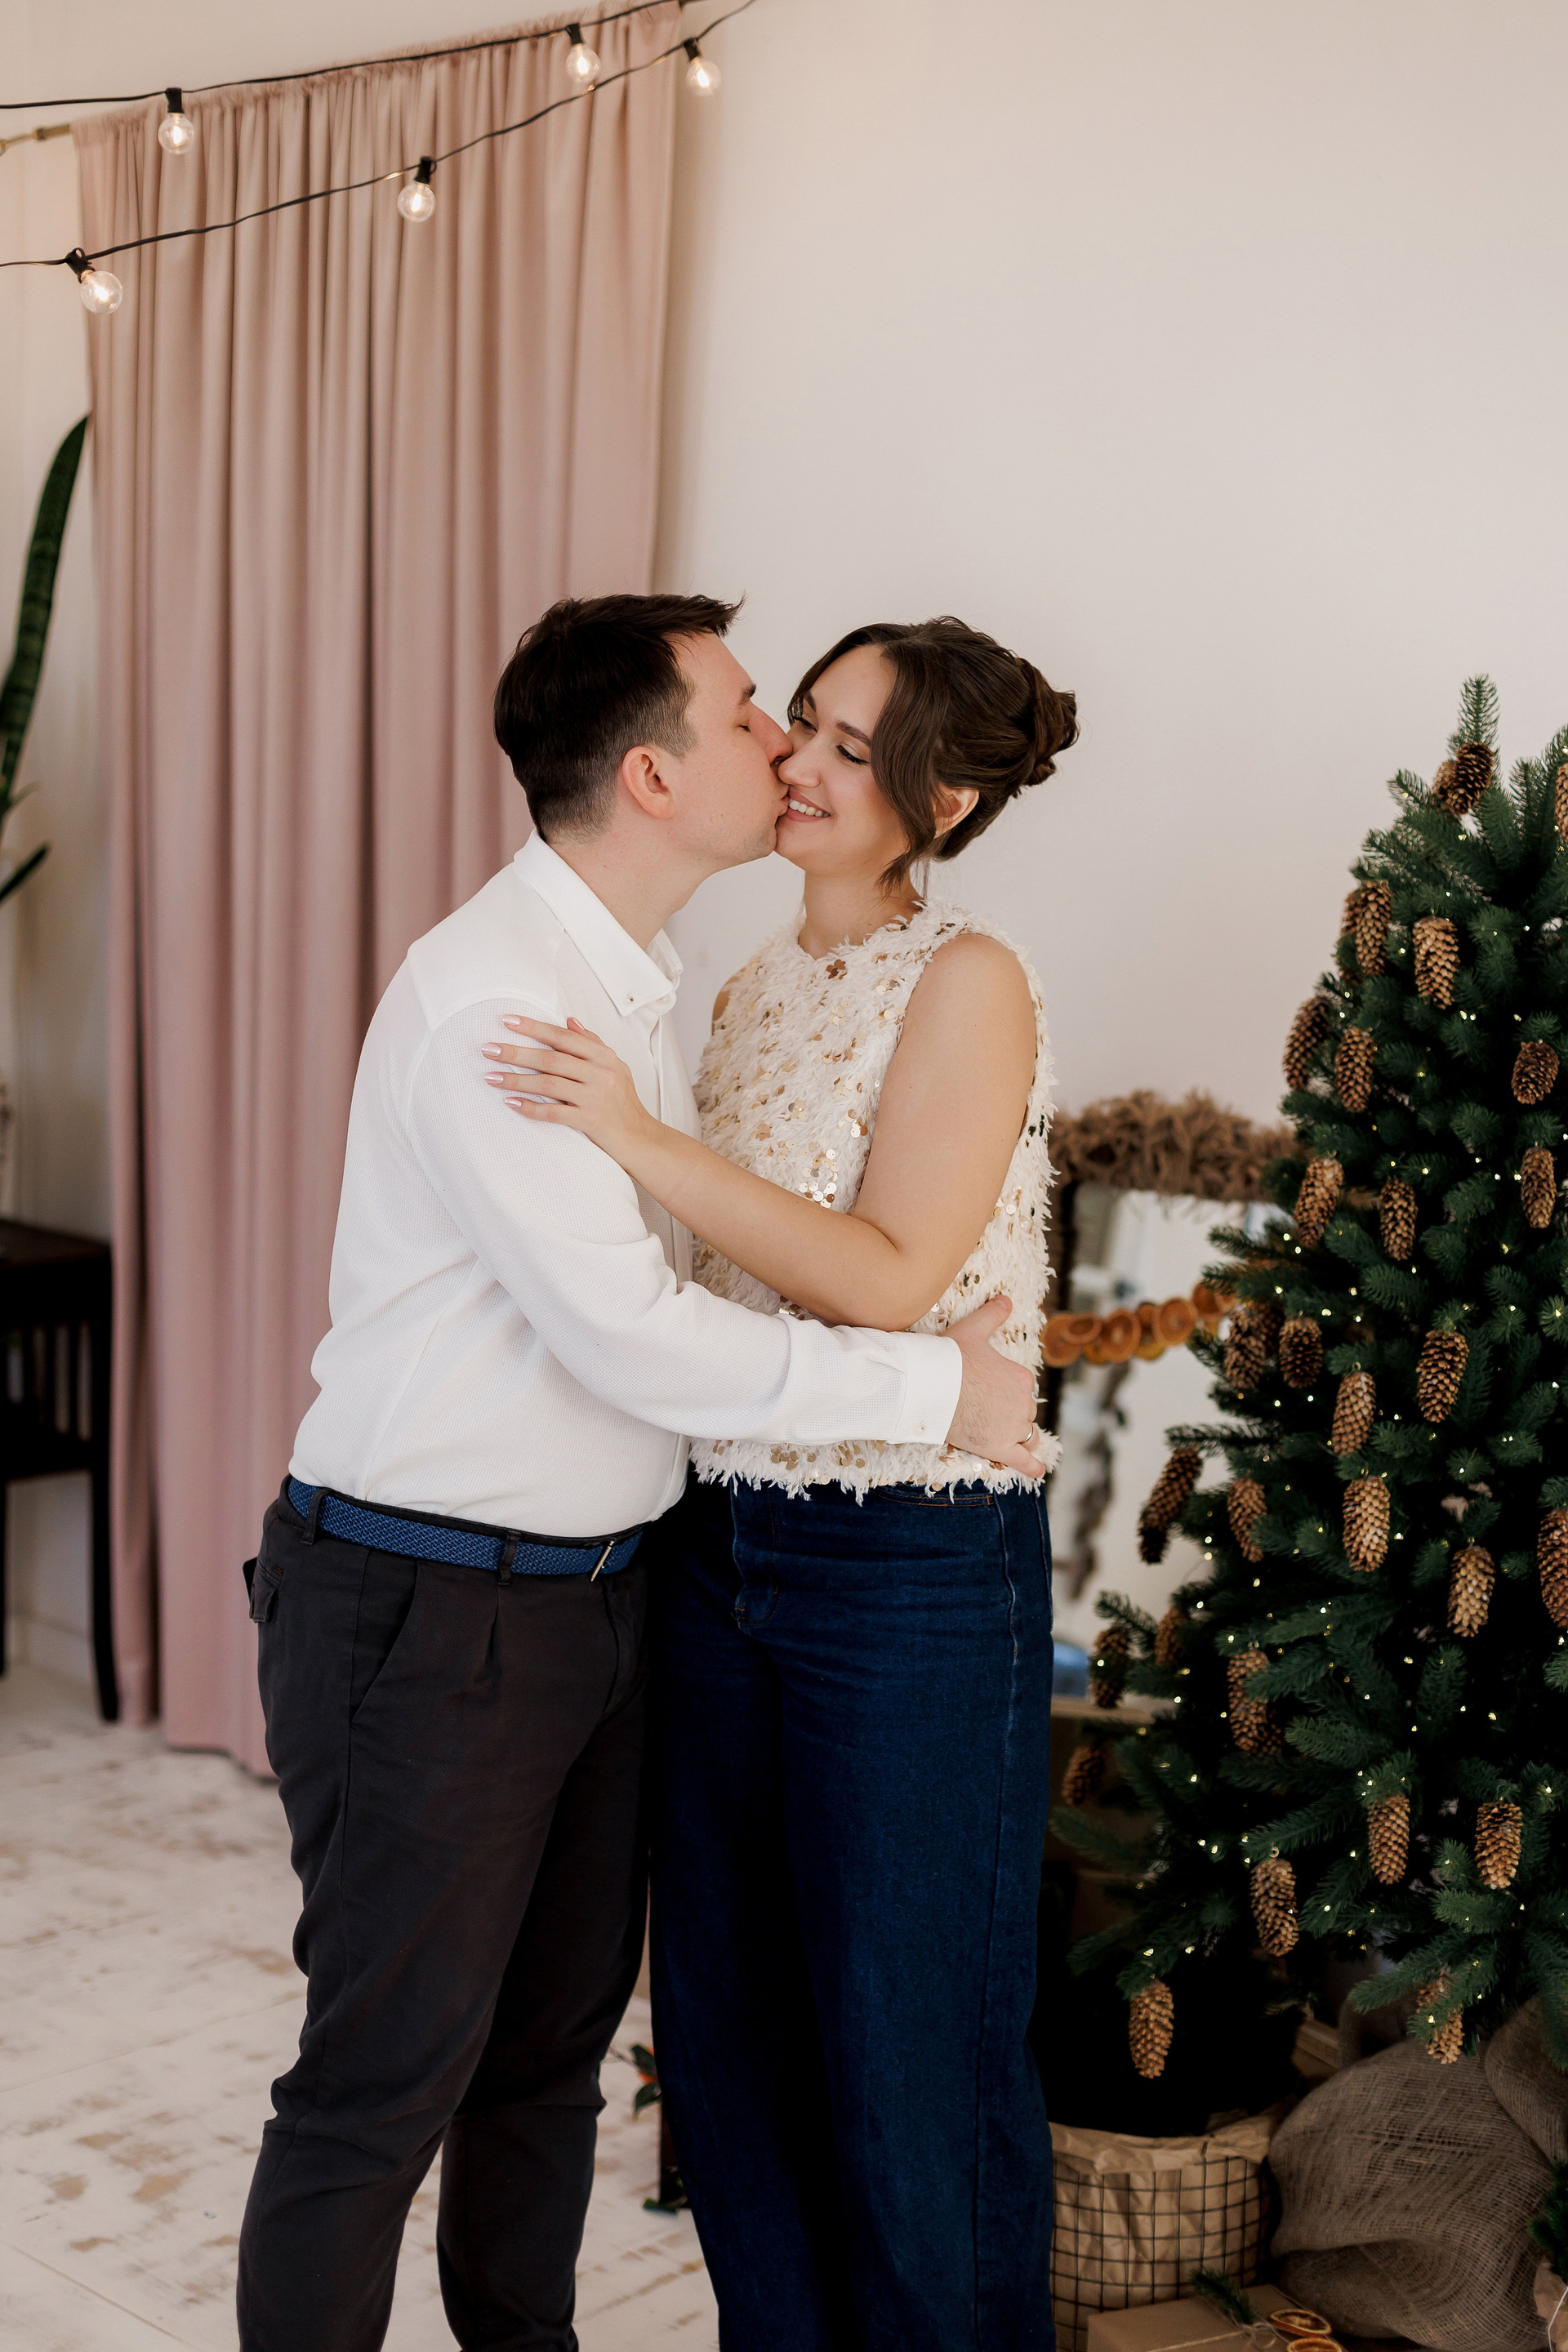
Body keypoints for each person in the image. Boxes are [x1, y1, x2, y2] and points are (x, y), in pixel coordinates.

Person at [234, 593, 1043, 2352]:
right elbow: (636, 1335)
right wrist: (936, 1388)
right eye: (765, 714)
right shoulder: (511, 1002)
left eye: (828, 734)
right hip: (436, 1597)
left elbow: (785, 1269)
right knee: (383, 2081)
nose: (785, 750)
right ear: (658, 775)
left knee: (556, 2061)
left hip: (627, 1596)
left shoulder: (653, 988)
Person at [482, 615, 1076, 2351]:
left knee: (912, 2058)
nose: (798, 763)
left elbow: (889, 1278)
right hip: (716, 1553)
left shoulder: (970, 980)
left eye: (848, 746)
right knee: (731, 2050)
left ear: (942, 801)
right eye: (799, 722)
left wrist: (632, 1135)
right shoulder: (738, 993)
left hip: (910, 1574)